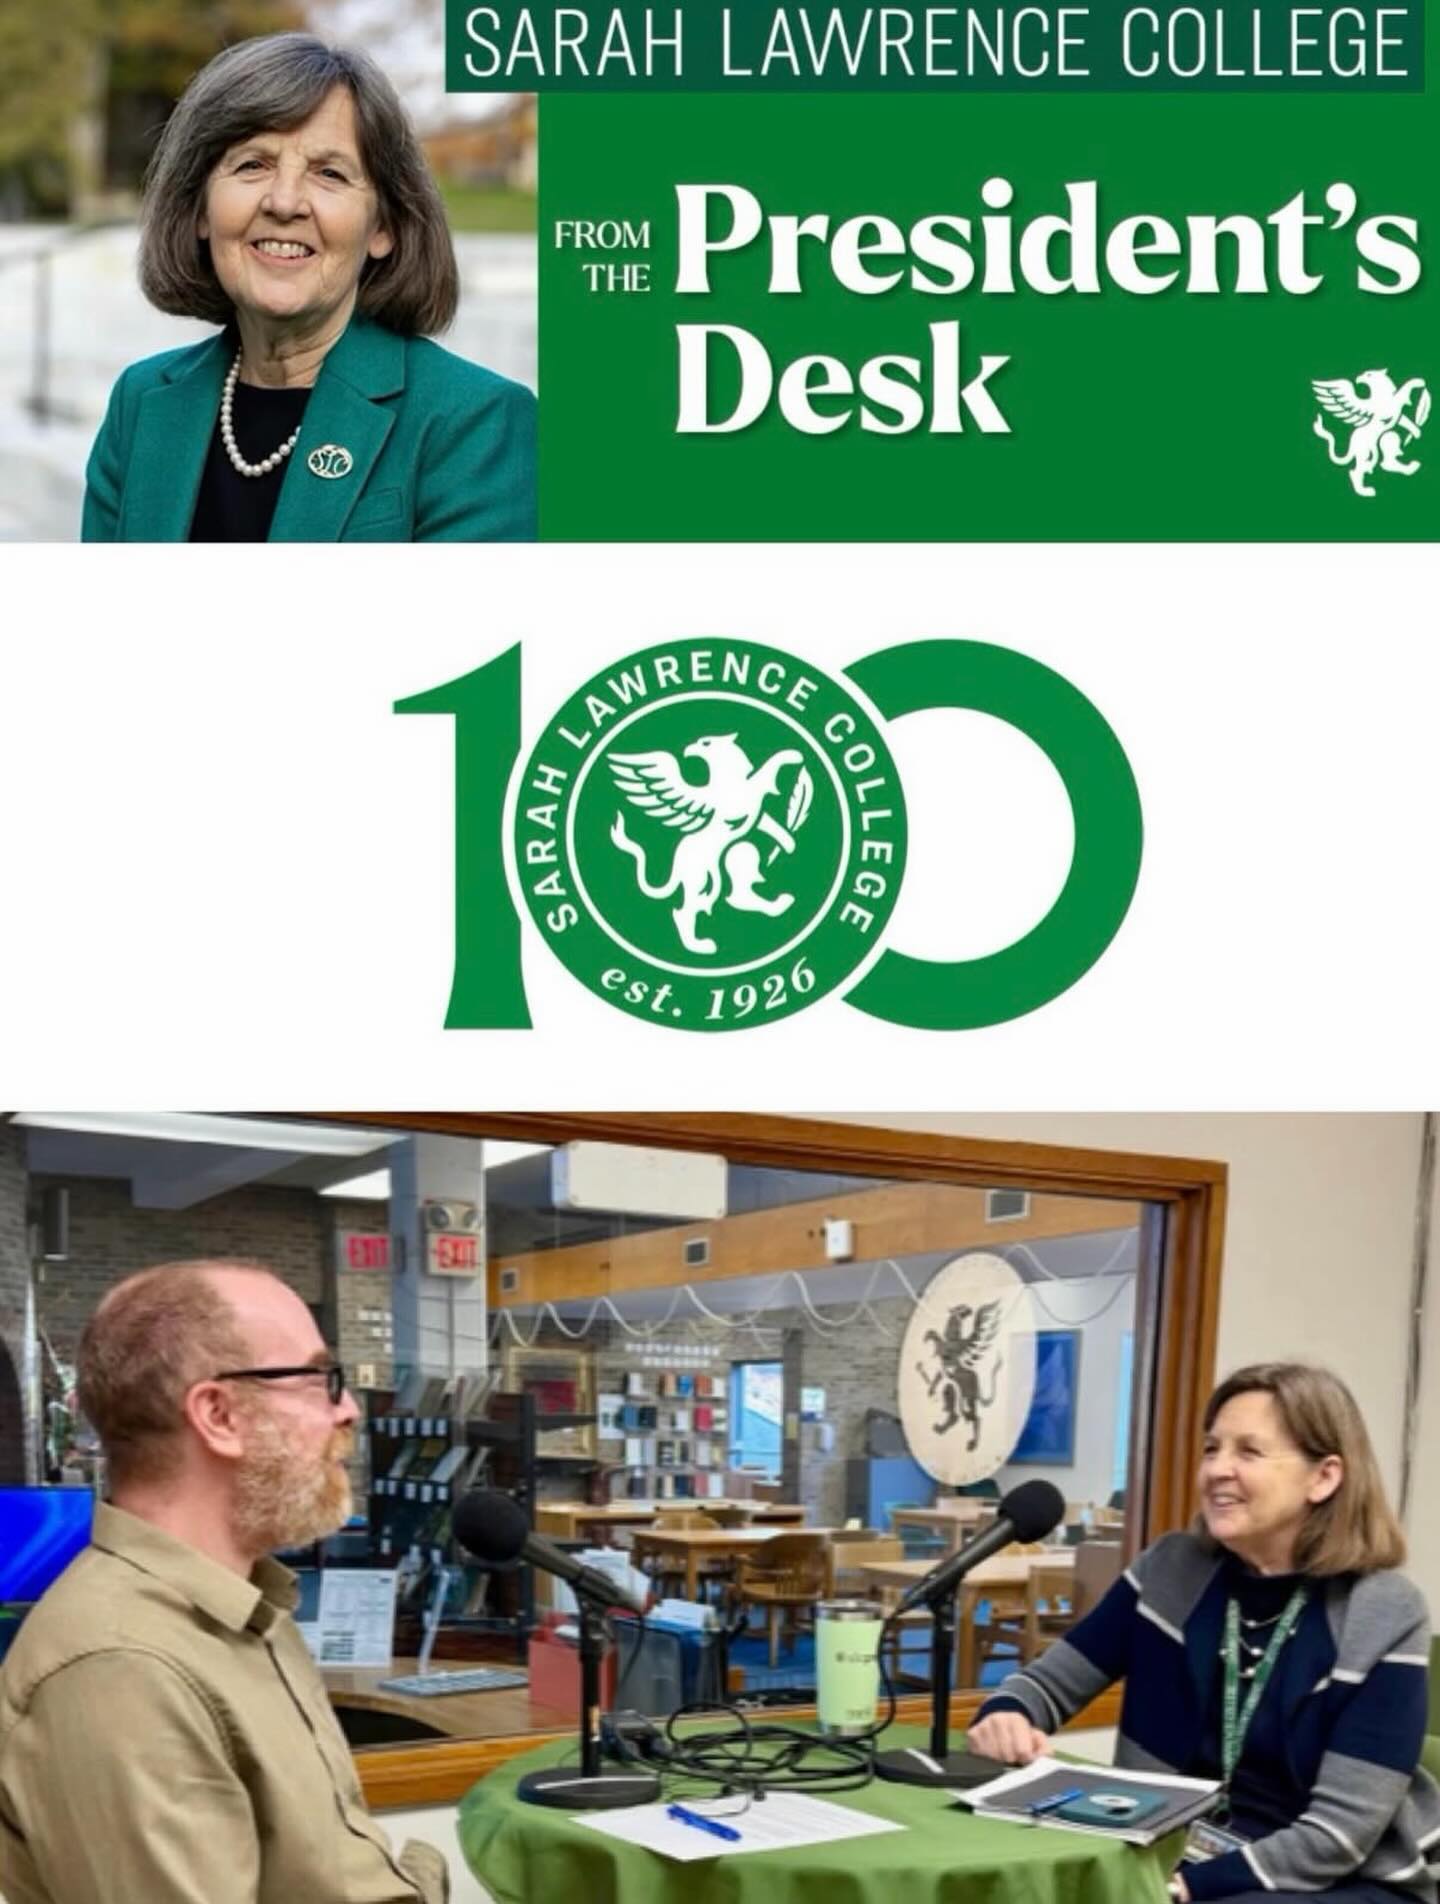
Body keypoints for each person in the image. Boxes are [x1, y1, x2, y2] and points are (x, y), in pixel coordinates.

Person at [0, 1259, 450, 1904]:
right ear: (219, 1414)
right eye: (320, 1379)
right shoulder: (122, 1667)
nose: (348, 1410)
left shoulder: (247, 1610)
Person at [968, 1362, 1438, 1904]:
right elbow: (1046, 1686)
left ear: (1324, 1477)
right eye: (1212, 1449)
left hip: (1337, 1880)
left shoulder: (1382, 1610)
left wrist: (1185, 1887)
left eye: (1249, 1452)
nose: (1218, 1469)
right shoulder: (1170, 1570)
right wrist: (1007, 1714)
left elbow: (1338, 1838)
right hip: (1176, 1855)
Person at [82, 35, 536, 542]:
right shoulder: (141, 403)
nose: (284, 202)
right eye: (252, 164)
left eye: (329, 173)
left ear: (382, 227)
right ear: (199, 208)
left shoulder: (475, 423)